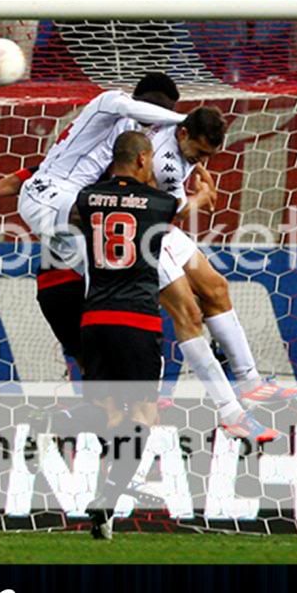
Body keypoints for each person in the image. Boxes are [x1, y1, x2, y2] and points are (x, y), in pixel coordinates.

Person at [0, 73, 287, 441]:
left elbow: (22, 184)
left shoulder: (114, 154)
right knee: (178, 312)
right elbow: (22, 186)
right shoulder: (114, 120)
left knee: (209, 287)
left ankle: (243, 383)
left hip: (95, 239)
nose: (158, 130)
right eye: (155, 120)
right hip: (68, 255)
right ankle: (224, 410)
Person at [71, 131, 213, 540]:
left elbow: (78, 221)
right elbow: (190, 209)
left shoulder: (88, 197)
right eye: (149, 161)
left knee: (110, 412)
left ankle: (103, 492)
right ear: (141, 160)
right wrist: (202, 193)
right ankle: (109, 496)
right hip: (138, 319)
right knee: (143, 414)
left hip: (95, 318)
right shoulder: (161, 203)